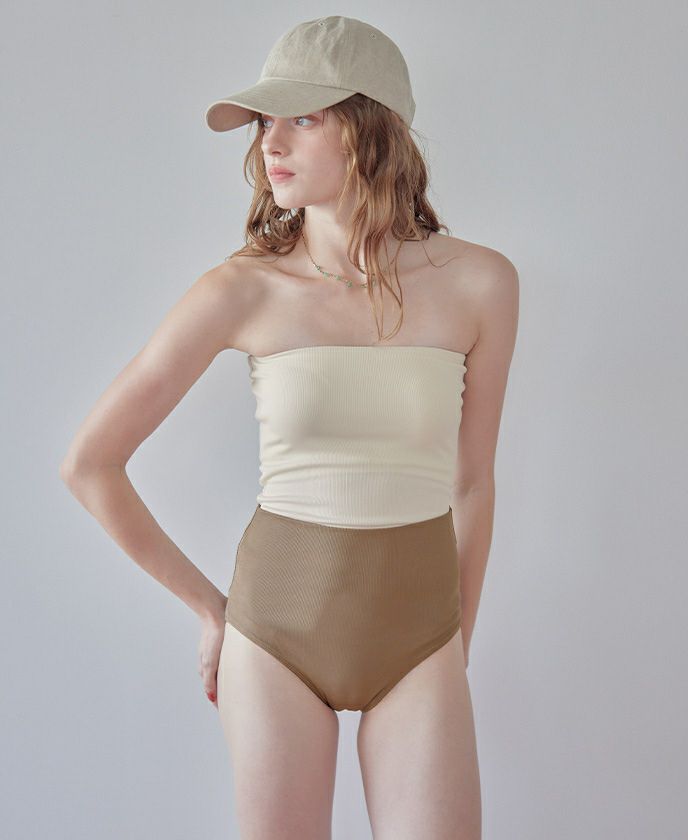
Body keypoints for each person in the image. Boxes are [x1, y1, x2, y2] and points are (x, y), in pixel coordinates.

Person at [61, 15, 518, 840]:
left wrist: (456, 641)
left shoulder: (481, 283)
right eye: (266, 122)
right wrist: (212, 612)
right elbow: (91, 463)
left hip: (422, 634)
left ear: (374, 129)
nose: (272, 143)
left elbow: (473, 481)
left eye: (302, 117)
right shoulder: (243, 290)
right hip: (275, 633)